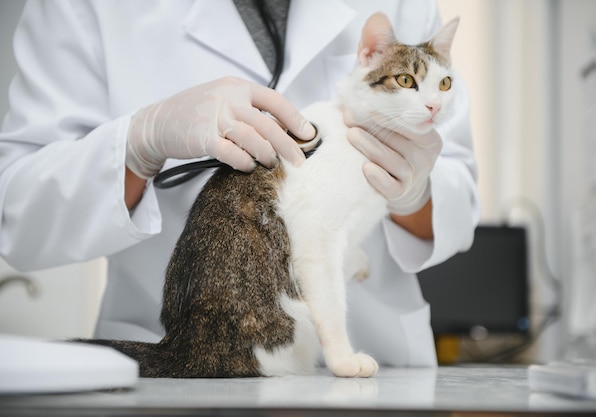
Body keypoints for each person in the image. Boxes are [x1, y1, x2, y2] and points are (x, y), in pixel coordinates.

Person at [0, 0, 479, 367]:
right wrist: (138, 142)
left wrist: (414, 189)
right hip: (186, 359)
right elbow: (17, 212)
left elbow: (456, 189)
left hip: (378, 358)